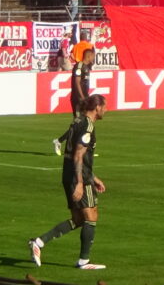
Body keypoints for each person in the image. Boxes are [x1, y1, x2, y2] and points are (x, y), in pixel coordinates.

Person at [30, 93, 109, 271]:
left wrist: (93, 177)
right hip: (77, 177)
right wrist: (81, 182)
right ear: (97, 108)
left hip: (69, 175)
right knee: (91, 216)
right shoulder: (87, 126)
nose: (106, 109)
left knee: (78, 219)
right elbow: (79, 155)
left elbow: (78, 154)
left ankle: (39, 242)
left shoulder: (77, 121)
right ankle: (84, 261)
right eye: (104, 106)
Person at [54, 38, 94, 157]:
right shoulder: (79, 66)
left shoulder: (87, 68)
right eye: (93, 56)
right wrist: (82, 98)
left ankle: (85, 148)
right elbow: (76, 82)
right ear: (89, 55)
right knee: (78, 124)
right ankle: (60, 142)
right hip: (78, 100)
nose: (94, 58)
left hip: (84, 99)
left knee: (85, 123)